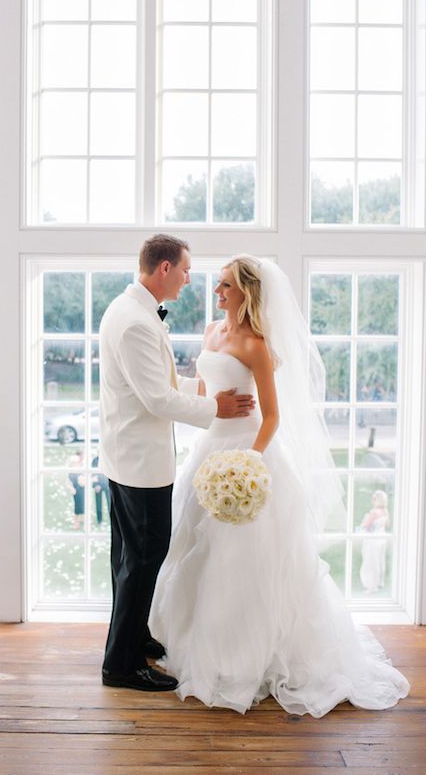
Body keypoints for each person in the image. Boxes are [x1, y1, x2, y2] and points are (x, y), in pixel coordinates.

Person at [150, 255, 409, 716]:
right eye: (218, 285)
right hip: (209, 451)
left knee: (243, 561)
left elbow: (271, 416)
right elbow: (206, 391)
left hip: (248, 455)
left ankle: (245, 659)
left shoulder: (257, 346)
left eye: (226, 285)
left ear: (246, 291)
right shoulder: (212, 332)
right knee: (197, 548)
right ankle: (200, 649)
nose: (218, 292)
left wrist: (250, 461)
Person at [99, 234, 255, 693]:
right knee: (142, 560)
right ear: (164, 269)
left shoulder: (133, 312)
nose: (190, 280)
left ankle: (133, 638)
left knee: (129, 558)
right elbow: (155, 398)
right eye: (186, 271)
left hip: (127, 457)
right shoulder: (135, 323)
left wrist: (201, 391)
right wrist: (216, 411)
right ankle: (121, 666)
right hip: (139, 463)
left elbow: (159, 383)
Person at [359, 489, 390, 594]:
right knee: (380, 561)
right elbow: (386, 525)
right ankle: (379, 582)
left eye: (374, 498)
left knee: (370, 562)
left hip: (372, 540)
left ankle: (371, 586)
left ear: (377, 500)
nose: (372, 500)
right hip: (382, 539)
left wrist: (363, 522)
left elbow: (367, 526)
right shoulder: (385, 512)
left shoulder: (374, 512)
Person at [68, 449, 85, 530]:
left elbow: (83, 481)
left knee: (82, 504)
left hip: (81, 489)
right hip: (76, 491)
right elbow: (69, 482)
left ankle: (82, 519)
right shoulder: (71, 473)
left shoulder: (80, 469)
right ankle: (76, 523)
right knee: (77, 507)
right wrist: (72, 488)